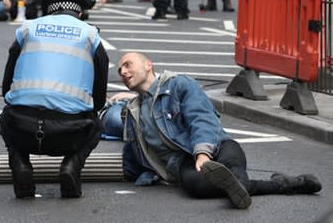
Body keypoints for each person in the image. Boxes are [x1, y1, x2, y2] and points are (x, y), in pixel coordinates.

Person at [117, 52, 322, 209]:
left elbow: (201, 118)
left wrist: (203, 154)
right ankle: (283, 185)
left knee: (232, 162)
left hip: (216, 145)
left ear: (148, 64)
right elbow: (132, 151)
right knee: (198, 186)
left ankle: (275, 184)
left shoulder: (179, 84)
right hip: (181, 162)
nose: (123, 72)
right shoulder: (133, 111)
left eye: (128, 65)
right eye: (120, 71)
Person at [0, 0, 109, 198]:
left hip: (23, 128)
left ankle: (21, 165)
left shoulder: (28, 28)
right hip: (69, 133)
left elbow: (7, 81)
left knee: (5, 117)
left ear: (49, 12)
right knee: (95, 125)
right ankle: (71, 166)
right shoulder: (90, 34)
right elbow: (100, 87)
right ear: (79, 14)